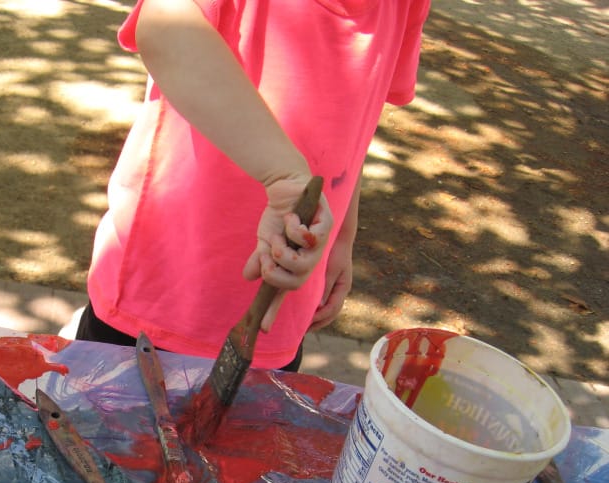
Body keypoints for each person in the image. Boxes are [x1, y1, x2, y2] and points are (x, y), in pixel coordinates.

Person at [75, 0, 432, 371]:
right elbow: (164, 24)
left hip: (276, 315)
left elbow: (358, 116)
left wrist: (343, 237)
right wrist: (283, 176)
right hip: (156, 302)